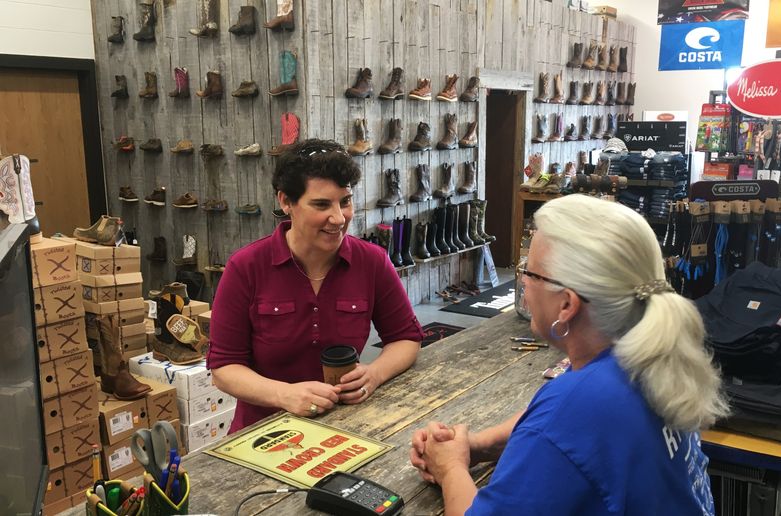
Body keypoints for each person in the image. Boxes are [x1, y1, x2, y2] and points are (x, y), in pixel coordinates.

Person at [410, 194, 729, 515]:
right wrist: (475, 446)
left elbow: (563, 428)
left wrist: (450, 468)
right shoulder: (648, 353)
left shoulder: (579, 404)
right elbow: (563, 434)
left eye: (529, 273)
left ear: (567, 305)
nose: (522, 281)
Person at [207, 139, 423, 433]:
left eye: (345, 201)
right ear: (286, 202)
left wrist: (374, 374)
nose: (338, 218)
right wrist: (284, 395)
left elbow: (406, 337)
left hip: (346, 425)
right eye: (321, 204)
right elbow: (224, 369)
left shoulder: (371, 261)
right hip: (263, 432)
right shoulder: (245, 268)